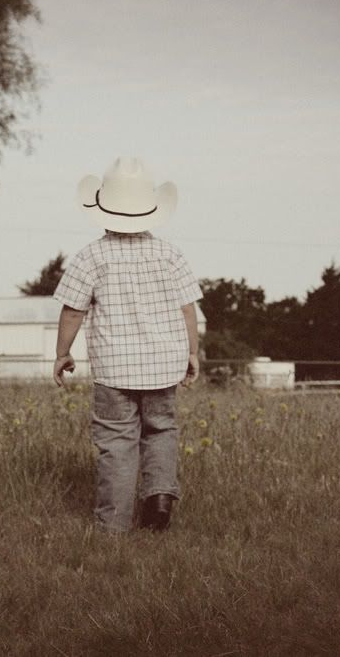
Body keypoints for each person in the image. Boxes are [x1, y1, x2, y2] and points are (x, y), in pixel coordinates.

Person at [52, 157, 202, 533]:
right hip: (163, 365)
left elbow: (73, 310)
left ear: (102, 210)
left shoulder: (91, 256)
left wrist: (62, 353)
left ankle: (114, 523)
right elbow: (188, 309)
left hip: (114, 369)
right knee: (161, 430)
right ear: (150, 209)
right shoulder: (169, 254)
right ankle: (159, 498)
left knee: (117, 441)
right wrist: (192, 352)